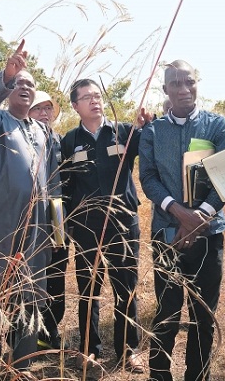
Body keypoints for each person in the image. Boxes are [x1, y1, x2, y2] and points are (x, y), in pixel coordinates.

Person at [138, 60, 225, 381]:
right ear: (165, 89)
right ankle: (159, 374)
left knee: (203, 314)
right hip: (166, 233)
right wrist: (180, 214)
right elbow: (149, 178)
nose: (183, 89)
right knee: (167, 309)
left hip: (209, 235)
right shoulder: (153, 131)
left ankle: (197, 376)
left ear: (197, 84)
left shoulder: (217, 126)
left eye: (189, 82)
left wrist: (199, 217)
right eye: (175, 84)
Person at [0, 40, 60, 374]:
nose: (25, 88)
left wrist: (57, 229)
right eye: (19, 83)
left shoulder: (43, 132)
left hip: (36, 228)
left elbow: (54, 182)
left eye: (30, 85)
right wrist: (5, 74)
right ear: (8, 91)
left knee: (32, 290)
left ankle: (21, 363)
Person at [60, 78, 152, 373]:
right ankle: (89, 350)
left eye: (97, 95)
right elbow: (65, 187)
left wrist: (147, 125)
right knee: (89, 290)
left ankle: (129, 350)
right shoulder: (70, 141)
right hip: (86, 225)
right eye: (86, 97)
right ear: (75, 106)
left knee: (126, 289)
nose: (94, 101)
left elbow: (150, 147)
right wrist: (67, 224)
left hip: (123, 223)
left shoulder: (124, 132)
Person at [28, 91, 67, 351]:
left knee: (56, 273)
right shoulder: (20, 138)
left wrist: (59, 229)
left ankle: (50, 330)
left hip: (58, 214)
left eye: (48, 108)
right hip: (28, 219)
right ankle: (26, 334)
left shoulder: (60, 140)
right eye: (37, 108)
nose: (44, 113)